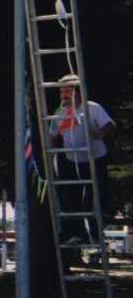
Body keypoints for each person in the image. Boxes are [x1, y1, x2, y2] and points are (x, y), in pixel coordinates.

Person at [49, 73, 116, 250]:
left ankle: (95, 233)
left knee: (93, 198)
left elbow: (110, 125)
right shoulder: (59, 113)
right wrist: (51, 156)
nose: (62, 95)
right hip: (72, 160)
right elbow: (53, 136)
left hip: (95, 158)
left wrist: (101, 133)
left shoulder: (91, 108)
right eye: (61, 92)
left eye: (66, 91)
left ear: (76, 92)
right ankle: (76, 233)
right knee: (70, 197)